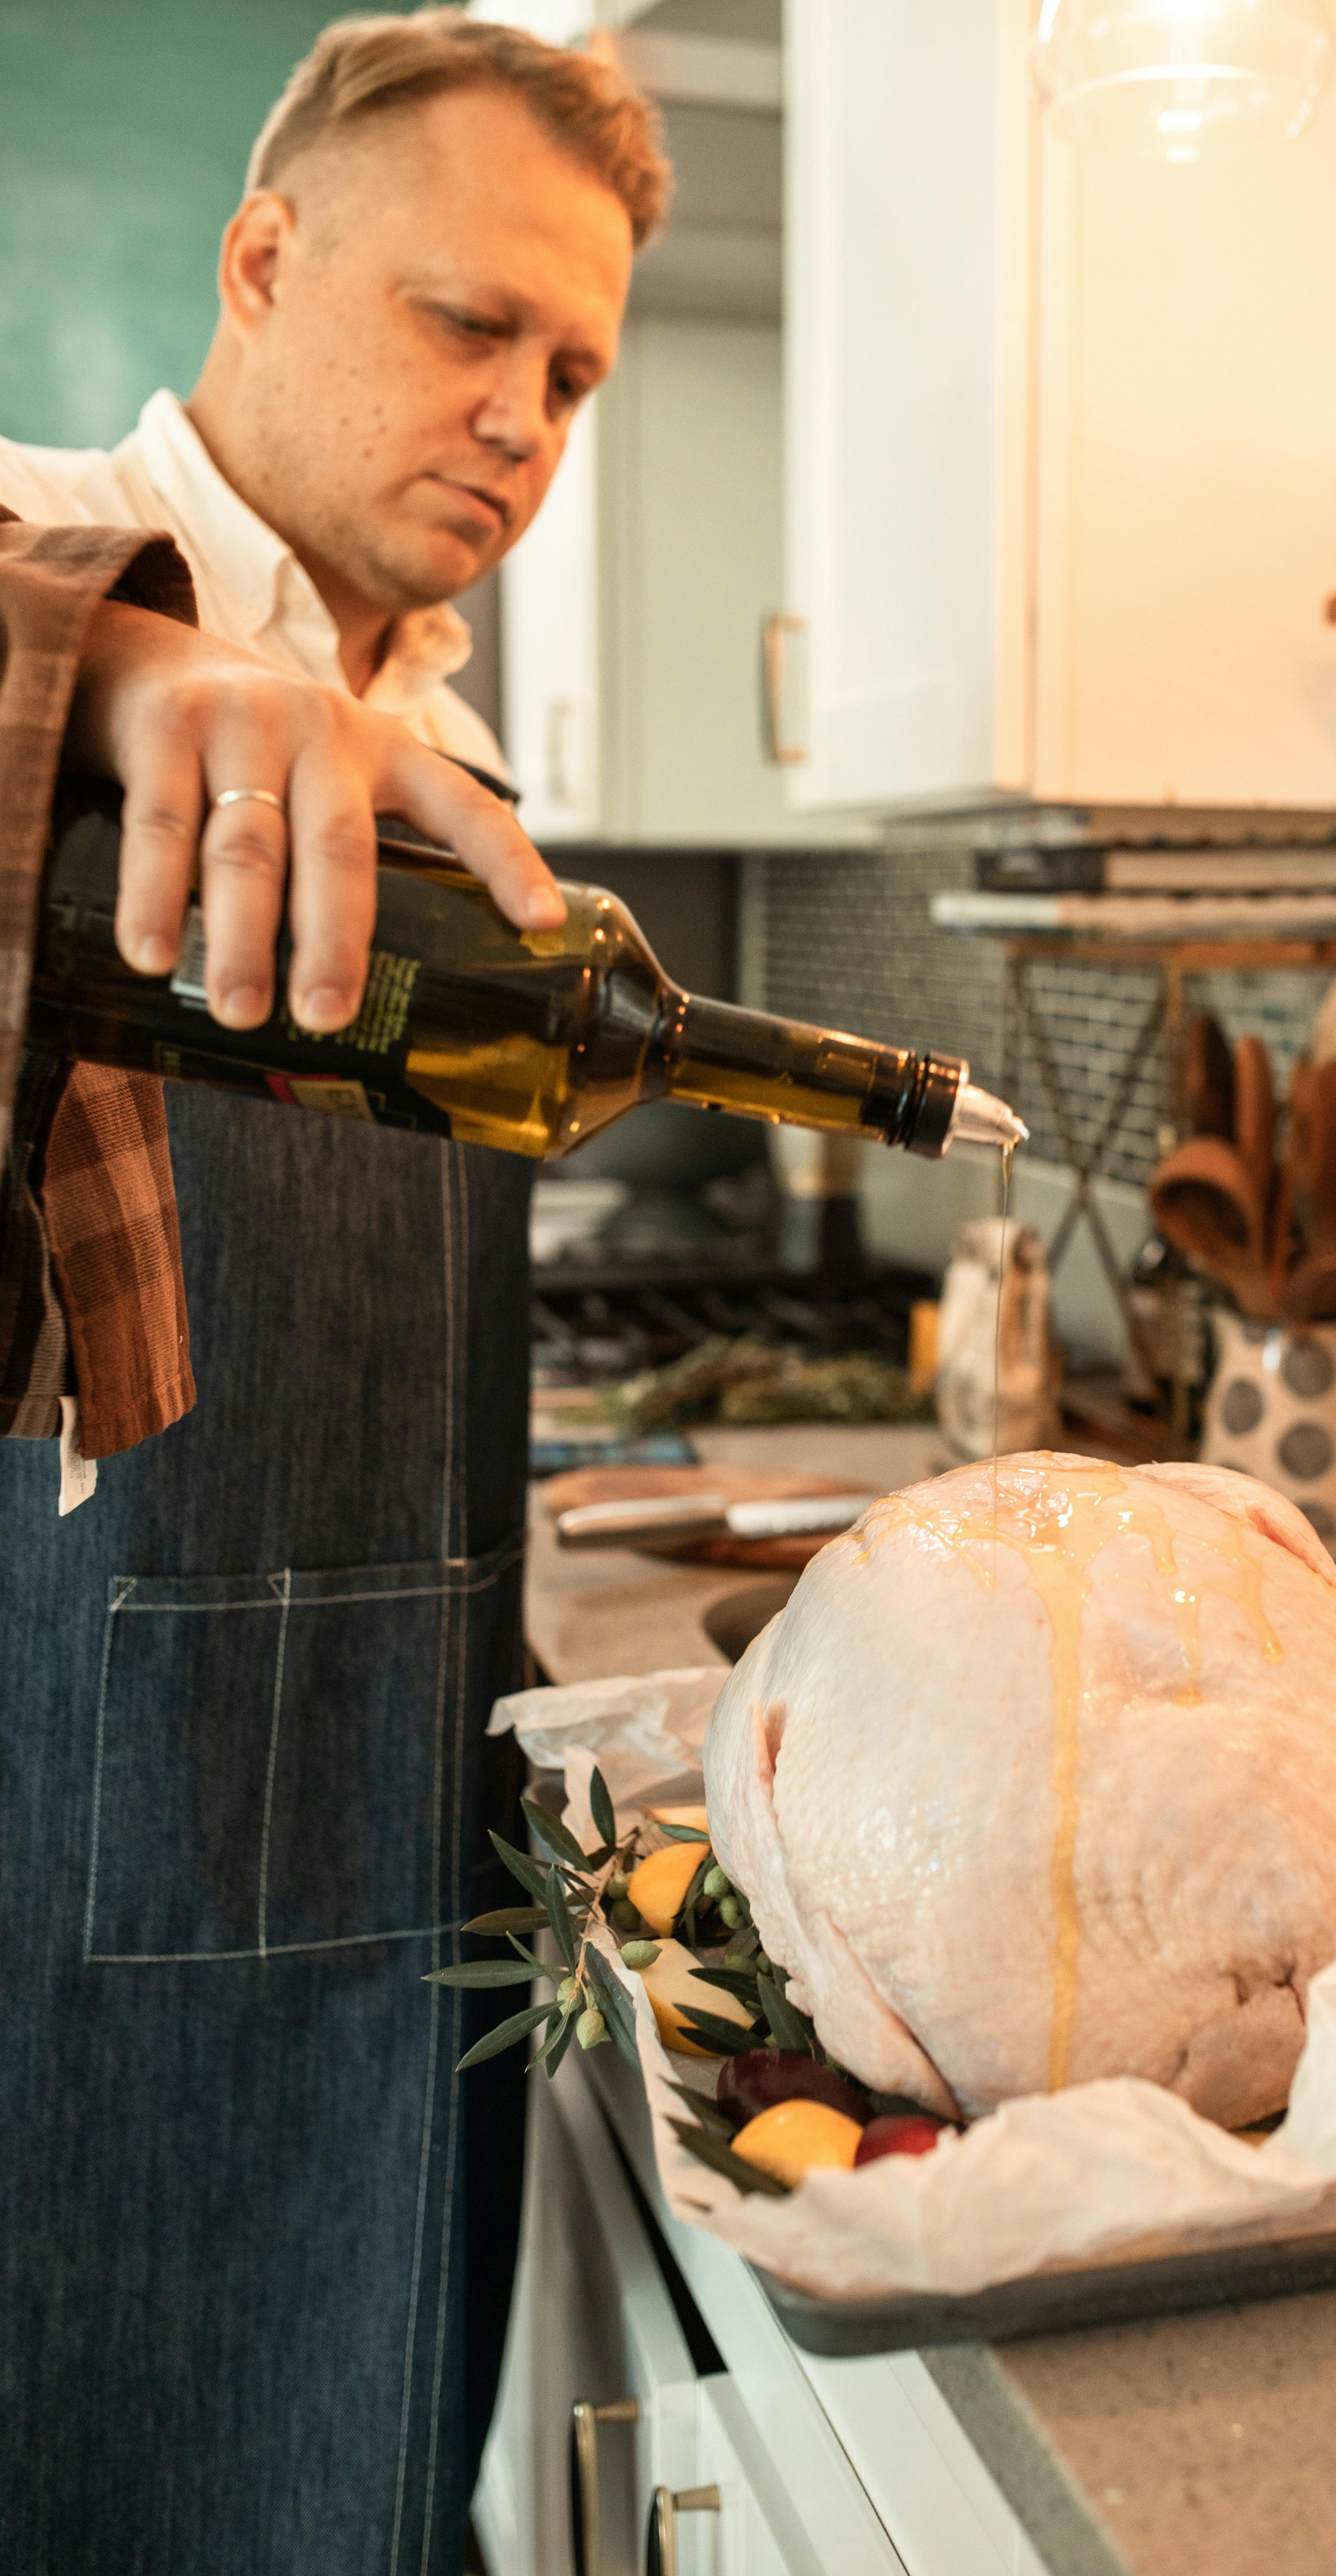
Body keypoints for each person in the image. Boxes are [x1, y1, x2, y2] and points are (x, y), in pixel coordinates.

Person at [0, 18, 670, 2573]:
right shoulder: (50, 548)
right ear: (263, 262)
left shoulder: (466, 776)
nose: (522, 417)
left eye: (575, 372)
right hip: (83, 1802)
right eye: (467, 322)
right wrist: (117, 674)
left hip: (401, 1802)